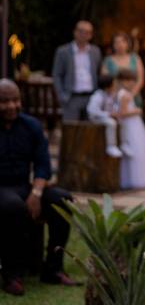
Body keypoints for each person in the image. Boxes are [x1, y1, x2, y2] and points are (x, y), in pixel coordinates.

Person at [0, 79, 78, 296]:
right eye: (4, 101)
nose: (11, 106)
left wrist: (36, 192)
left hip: (23, 187)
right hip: (2, 189)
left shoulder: (31, 126)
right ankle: (12, 274)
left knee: (62, 199)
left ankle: (53, 269)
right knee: (13, 207)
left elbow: (43, 164)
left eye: (15, 100)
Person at [114, 69, 145, 190]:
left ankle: (140, 176)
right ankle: (134, 177)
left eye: (132, 81)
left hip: (134, 124)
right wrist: (136, 111)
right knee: (134, 148)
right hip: (130, 125)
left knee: (139, 149)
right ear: (122, 81)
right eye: (129, 81)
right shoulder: (124, 95)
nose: (132, 83)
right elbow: (122, 113)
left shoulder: (125, 93)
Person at [52, 20, 102, 121]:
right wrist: (61, 95)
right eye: (81, 31)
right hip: (71, 98)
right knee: (70, 128)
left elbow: (99, 72)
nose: (84, 35)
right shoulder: (63, 51)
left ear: (91, 35)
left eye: (87, 32)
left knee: (90, 129)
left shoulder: (95, 51)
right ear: (75, 32)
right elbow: (57, 75)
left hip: (91, 98)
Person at [102, 32, 145, 107]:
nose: (120, 45)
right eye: (117, 42)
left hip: (134, 97)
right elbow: (105, 81)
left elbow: (140, 79)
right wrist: (116, 95)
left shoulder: (135, 58)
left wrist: (131, 95)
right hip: (114, 99)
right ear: (113, 45)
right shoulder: (107, 61)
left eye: (123, 41)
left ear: (127, 43)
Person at [85, 75, 122, 158]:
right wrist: (108, 114)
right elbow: (92, 110)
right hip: (95, 118)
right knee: (111, 123)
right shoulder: (97, 96)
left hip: (105, 116)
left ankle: (123, 144)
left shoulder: (110, 94)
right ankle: (111, 146)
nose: (115, 86)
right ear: (107, 86)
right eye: (113, 84)